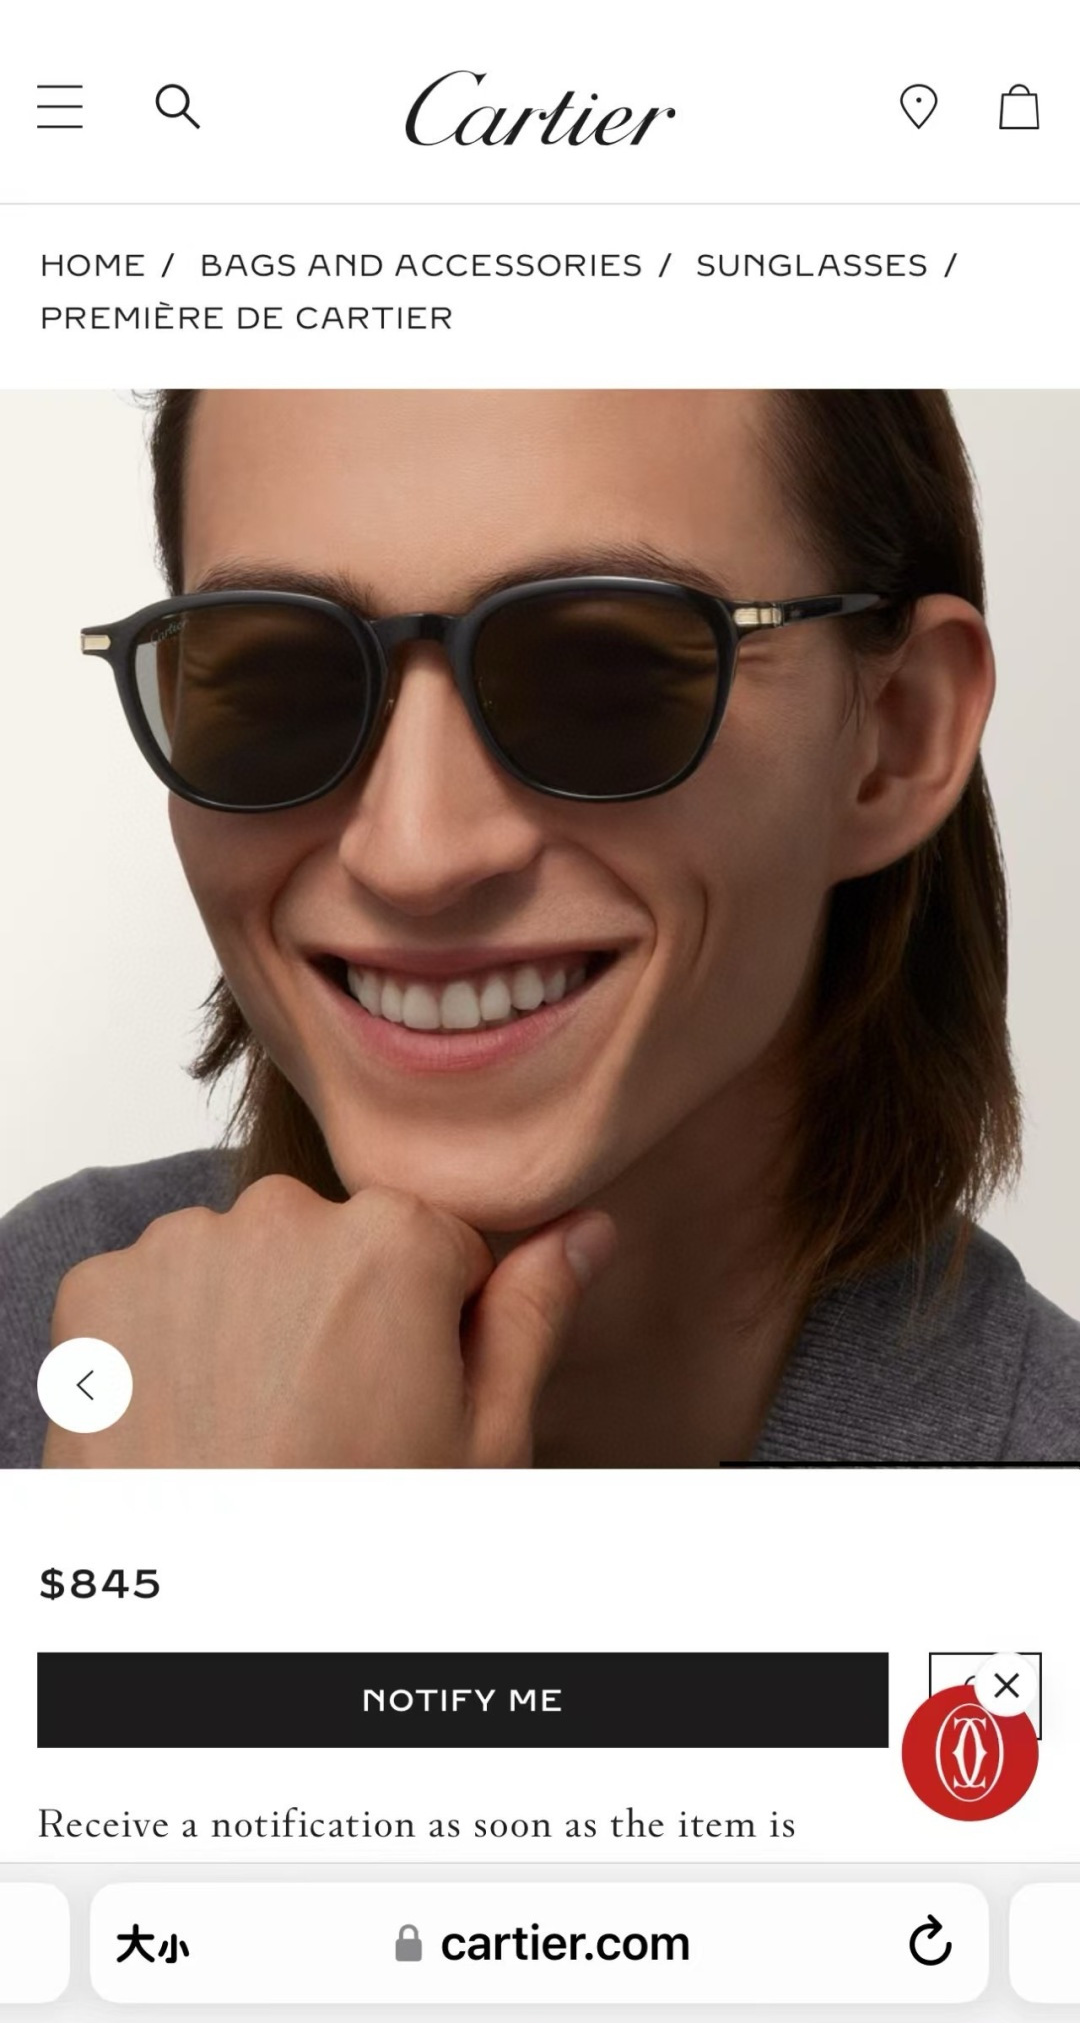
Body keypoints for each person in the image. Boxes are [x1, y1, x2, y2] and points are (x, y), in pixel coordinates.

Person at [3, 387, 1078, 1466]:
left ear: (899, 734)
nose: (414, 853)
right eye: (276, 676)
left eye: (599, 675)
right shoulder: (37, 1327)